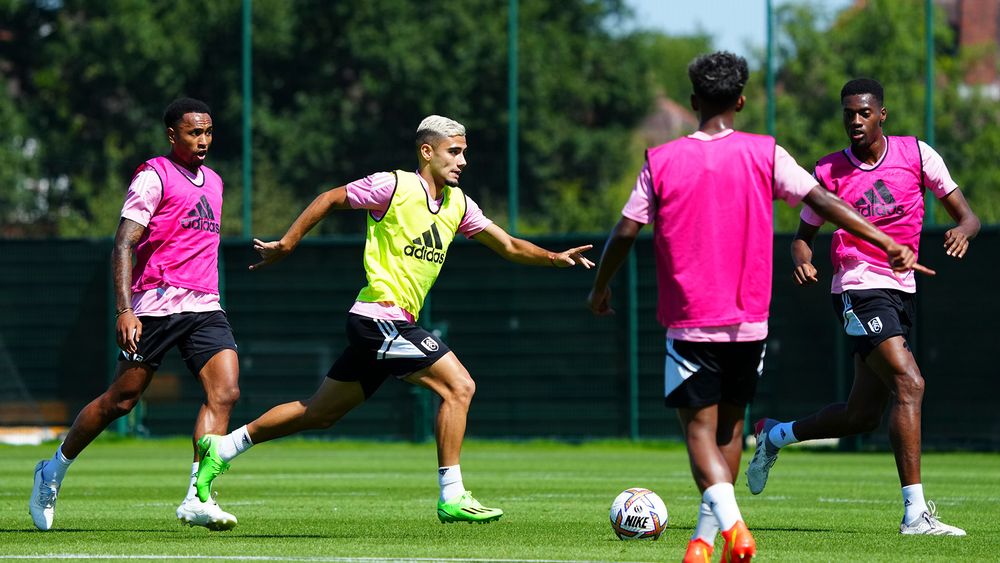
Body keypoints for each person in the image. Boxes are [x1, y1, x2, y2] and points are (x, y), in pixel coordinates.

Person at [586, 54, 929, 562]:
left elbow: (625, 232)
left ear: (693, 101)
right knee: (730, 429)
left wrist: (600, 287)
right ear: (742, 101)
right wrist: (884, 237)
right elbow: (826, 202)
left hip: (691, 318)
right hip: (751, 319)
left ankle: (734, 526)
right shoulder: (766, 153)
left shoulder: (661, 160)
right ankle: (705, 541)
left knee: (699, 431)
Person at [193, 115, 594, 524]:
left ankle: (223, 448)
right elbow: (332, 197)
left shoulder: (458, 204)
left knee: (319, 412)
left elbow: (507, 244)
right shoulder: (394, 185)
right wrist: (288, 243)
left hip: (388, 324)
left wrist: (553, 257)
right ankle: (452, 495)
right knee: (460, 387)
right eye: (454, 152)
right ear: (427, 152)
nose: (462, 161)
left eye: (464, 153)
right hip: (379, 317)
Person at [745, 78, 980, 536]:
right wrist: (803, 261)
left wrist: (964, 233)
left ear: (881, 115)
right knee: (910, 382)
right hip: (856, 287)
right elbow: (801, 240)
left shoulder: (917, 155)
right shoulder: (829, 171)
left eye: (864, 113)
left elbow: (967, 216)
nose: (855, 120)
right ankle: (915, 515)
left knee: (862, 416)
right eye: (848, 113)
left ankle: (774, 434)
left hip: (901, 289)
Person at [28, 98, 241, 532]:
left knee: (225, 392)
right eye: (193, 133)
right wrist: (125, 309)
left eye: (208, 132)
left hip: (204, 305)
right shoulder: (153, 176)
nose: (203, 141)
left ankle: (197, 496)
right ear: (172, 136)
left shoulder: (216, 182)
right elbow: (124, 243)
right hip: (156, 305)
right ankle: (52, 470)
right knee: (120, 402)